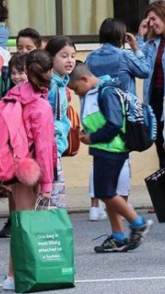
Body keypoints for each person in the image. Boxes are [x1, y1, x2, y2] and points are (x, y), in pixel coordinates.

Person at [67, 62, 152, 254]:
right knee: (107, 192)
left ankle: (138, 223)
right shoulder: (95, 92)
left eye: (76, 89)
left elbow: (114, 124)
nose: (76, 93)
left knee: (105, 192)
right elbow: (101, 120)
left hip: (111, 149)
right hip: (104, 148)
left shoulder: (106, 93)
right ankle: (118, 236)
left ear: (84, 79)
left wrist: (92, 137)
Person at [0, 49, 57, 291]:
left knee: (21, 221)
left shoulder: (13, 95)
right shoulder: (40, 106)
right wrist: (47, 184)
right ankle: (14, 276)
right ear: (47, 73)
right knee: (23, 224)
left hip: (12, 165)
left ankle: (17, 274)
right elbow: (43, 148)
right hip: (29, 169)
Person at [86, 18, 150, 221]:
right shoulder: (124, 55)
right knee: (123, 160)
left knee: (98, 159)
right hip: (122, 115)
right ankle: (120, 201)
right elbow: (145, 71)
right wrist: (136, 47)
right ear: (122, 37)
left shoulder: (91, 57)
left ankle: (96, 206)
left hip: (97, 113)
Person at [138, 0, 165, 167]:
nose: (151, 24)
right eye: (149, 20)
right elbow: (139, 65)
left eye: (154, 19)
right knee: (160, 146)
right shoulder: (152, 44)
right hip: (155, 100)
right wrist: (140, 36)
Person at [0, 53, 28, 239]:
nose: (17, 77)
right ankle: (13, 219)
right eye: (14, 73)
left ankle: (26, 220)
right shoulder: (8, 90)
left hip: (27, 146)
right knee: (12, 186)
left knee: (28, 186)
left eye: (21, 72)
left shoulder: (35, 91)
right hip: (11, 145)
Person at [44, 36, 77, 209]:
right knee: (53, 197)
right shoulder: (52, 85)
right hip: (51, 147)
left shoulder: (61, 83)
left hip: (55, 147)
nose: (70, 60)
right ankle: (50, 233)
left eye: (72, 56)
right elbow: (52, 119)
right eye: (64, 56)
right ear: (51, 57)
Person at [0, 28, 41, 102]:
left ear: (38, 49)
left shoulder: (43, 75)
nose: (24, 51)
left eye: (29, 48)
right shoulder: (6, 76)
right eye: (20, 48)